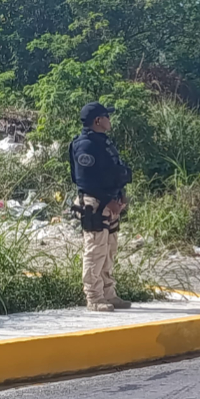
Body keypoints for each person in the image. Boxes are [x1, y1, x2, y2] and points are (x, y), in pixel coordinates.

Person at [69, 102, 133, 312]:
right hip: (95, 204)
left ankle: (108, 293)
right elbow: (86, 182)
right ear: (98, 120)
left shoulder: (103, 143)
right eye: (106, 116)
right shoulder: (85, 145)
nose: (109, 120)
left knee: (109, 249)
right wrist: (108, 201)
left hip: (110, 202)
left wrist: (121, 196)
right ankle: (94, 297)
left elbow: (114, 172)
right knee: (96, 250)